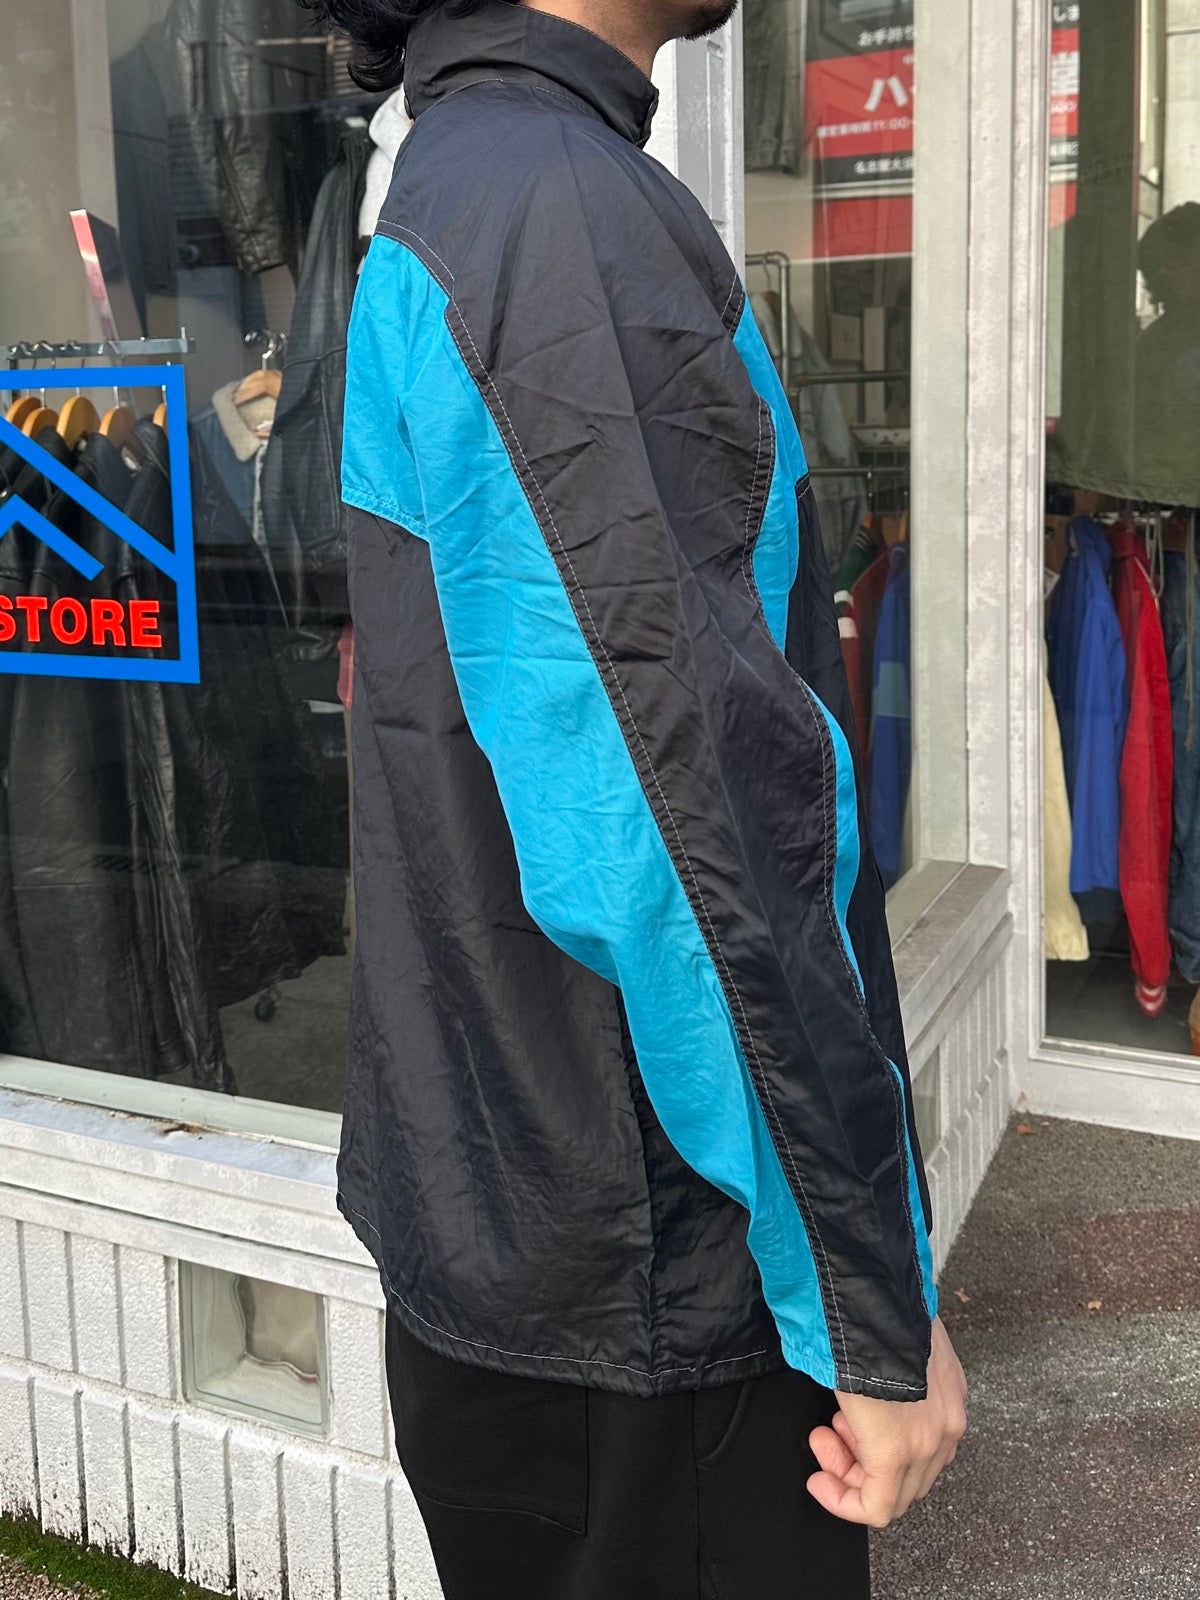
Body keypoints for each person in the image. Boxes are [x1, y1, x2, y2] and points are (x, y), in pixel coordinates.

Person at [301, 1, 967, 1594]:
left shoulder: (468, 183)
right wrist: (867, 1310)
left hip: (545, 1235)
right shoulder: (553, 213)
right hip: (650, 1277)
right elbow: (682, 836)